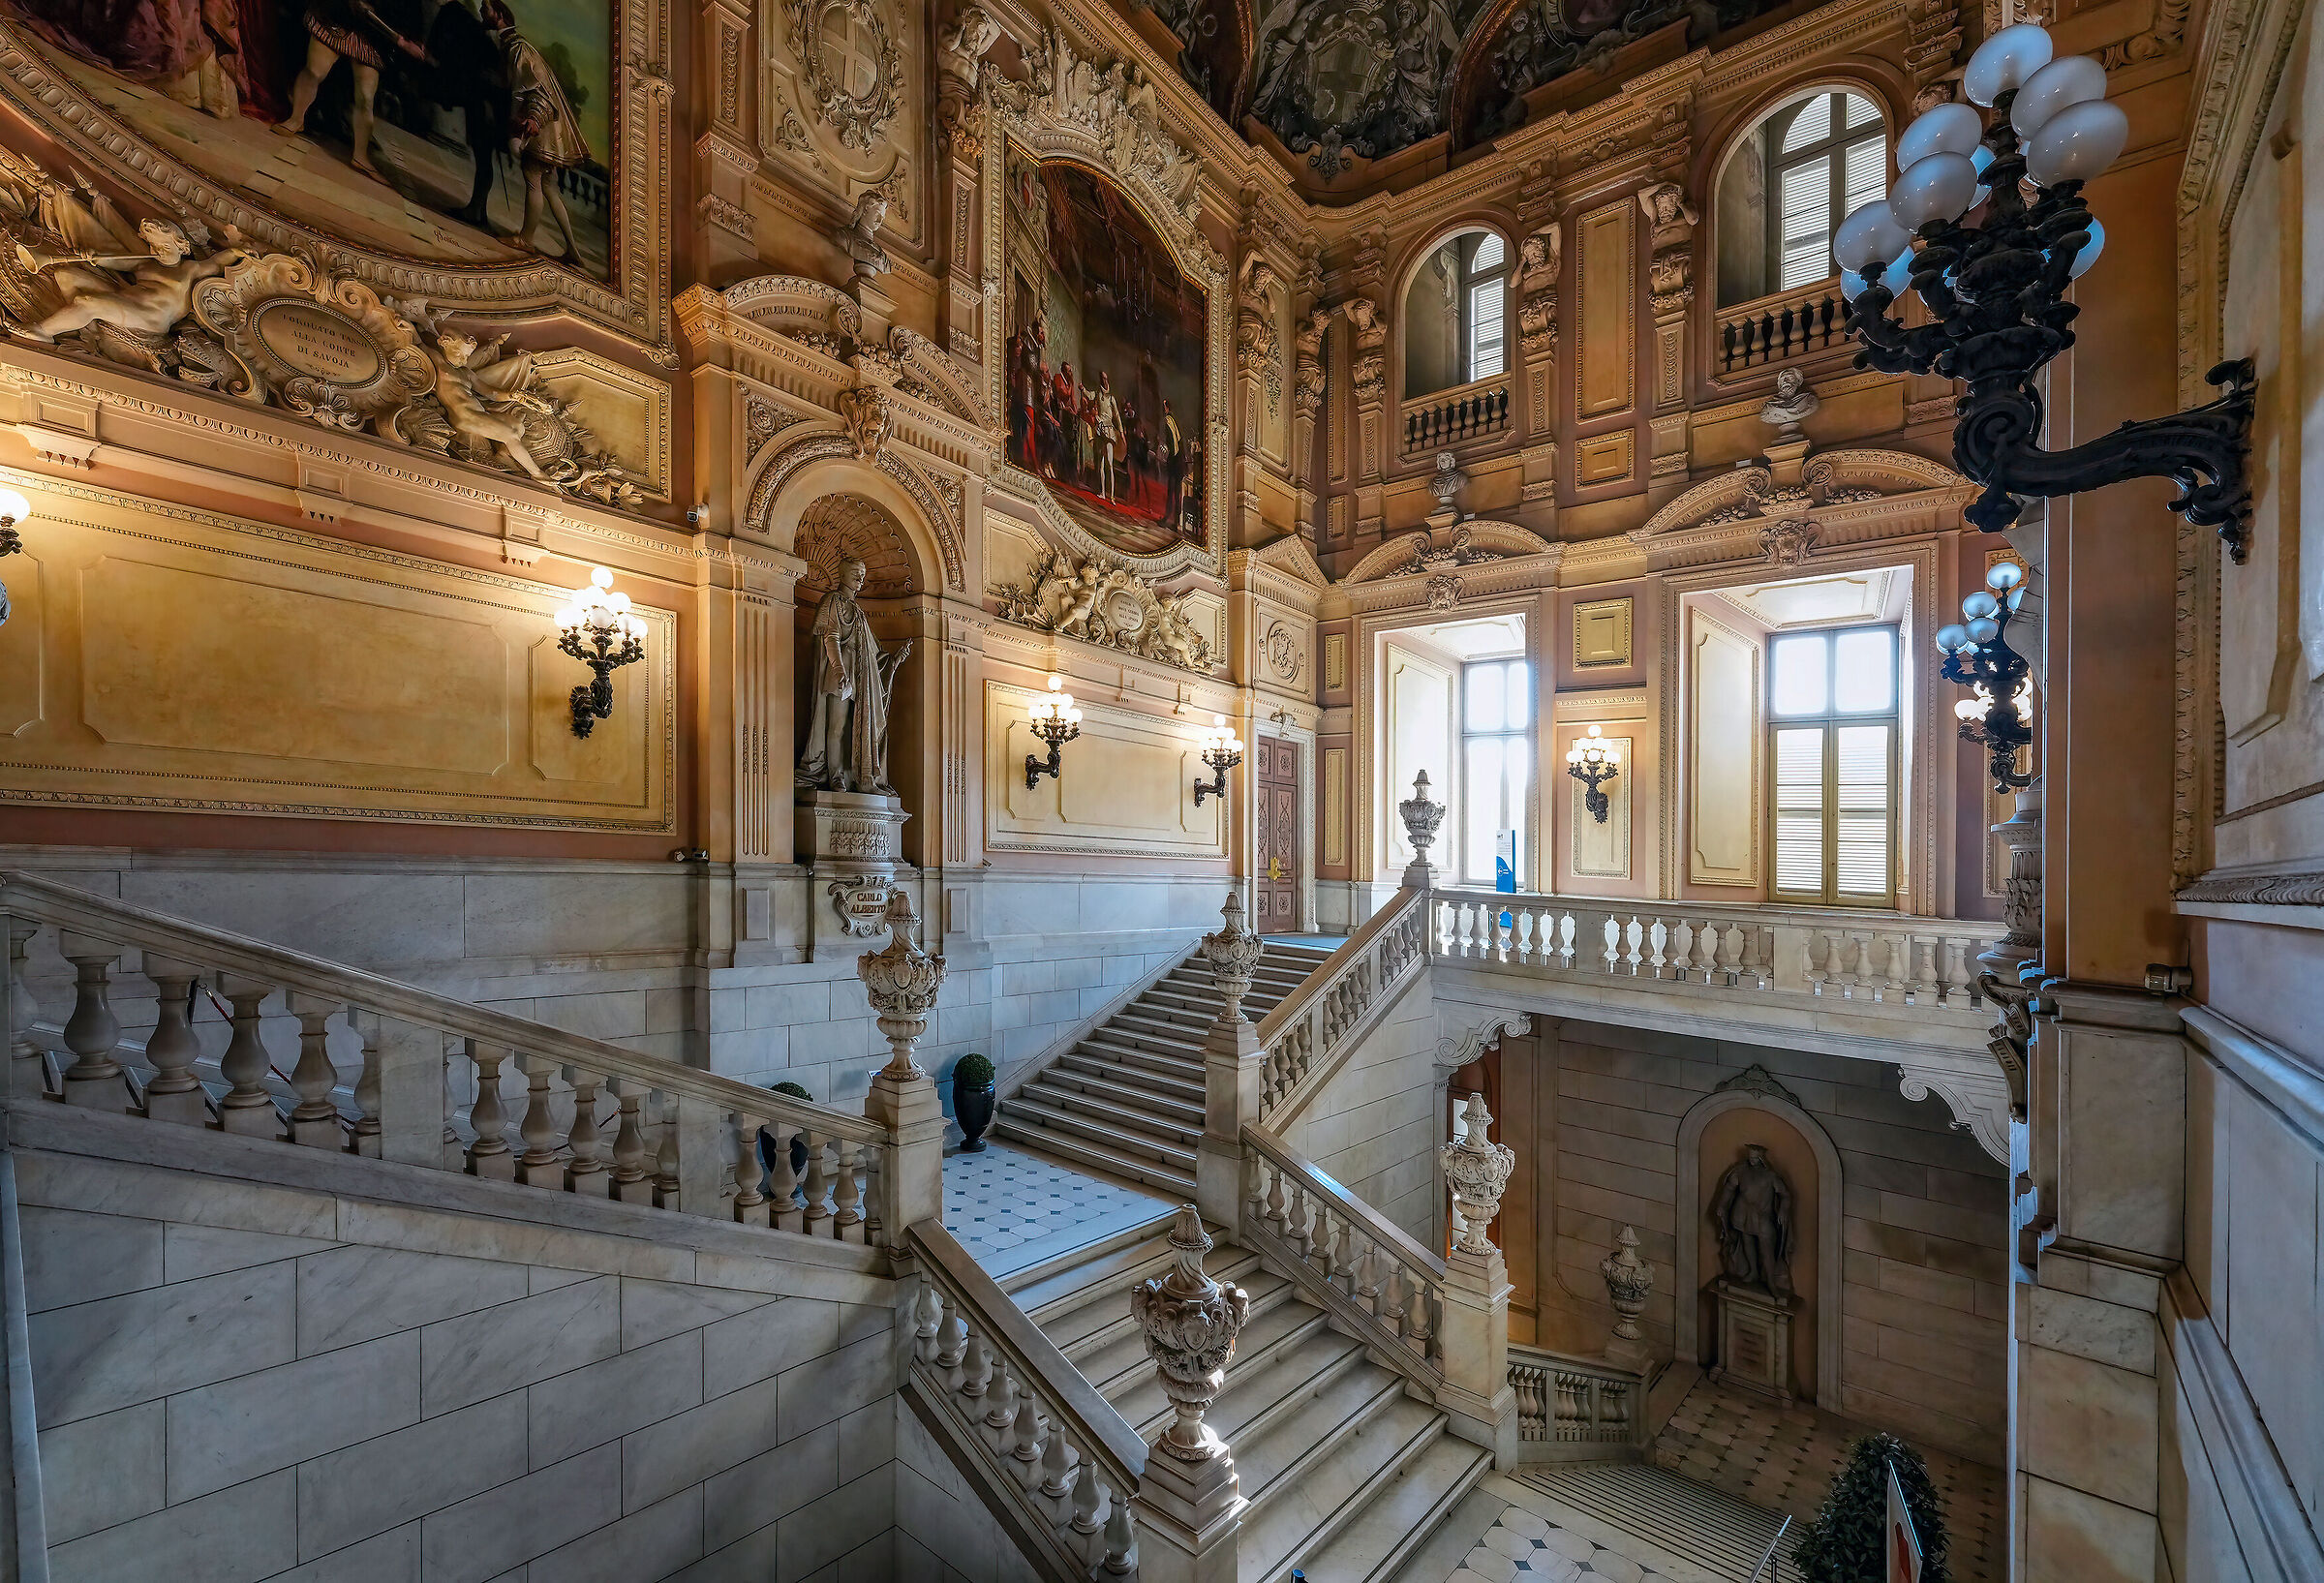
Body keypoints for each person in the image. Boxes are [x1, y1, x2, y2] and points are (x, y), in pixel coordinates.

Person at [485, 0, 590, 263]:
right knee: (550, 188)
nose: (480, 12)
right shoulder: (513, 46)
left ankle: (526, 240)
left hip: (538, 129)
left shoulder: (519, 48)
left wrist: (530, 119)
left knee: (533, 180)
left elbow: (535, 90)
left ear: (498, 15)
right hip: (542, 127)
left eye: (485, 7)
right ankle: (574, 252)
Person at [281, 0, 430, 178]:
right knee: (314, 71)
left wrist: (412, 42)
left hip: (373, 39)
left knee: (366, 97)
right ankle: (296, 119)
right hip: (338, 19)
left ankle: (360, 155)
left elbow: (411, 17)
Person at [1092, 370, 1120, 501]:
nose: (1105, 381)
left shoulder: (1111, 399)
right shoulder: (1098, 395)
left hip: (1109, 430)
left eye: (1106, 378)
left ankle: (1112, 495)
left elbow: (1117, 416)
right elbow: (1089, 394)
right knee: (1102, 463)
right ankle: (1103, 493)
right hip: (1101, 430)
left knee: (1110, 463)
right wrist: (1082, 389)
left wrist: (1120, 430)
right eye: (1103, 378)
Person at [1161, 398, 1185, 527]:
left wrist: (1169, 453)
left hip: (1175, 462)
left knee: (1172, 491)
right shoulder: (1176, 421)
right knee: (1177, 493)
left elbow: (1172, 442)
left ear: (1166, 408)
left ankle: (1166, 519)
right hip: (1180, 462)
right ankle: (1176, 522)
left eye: (1164, 407)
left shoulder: (1168, 420)